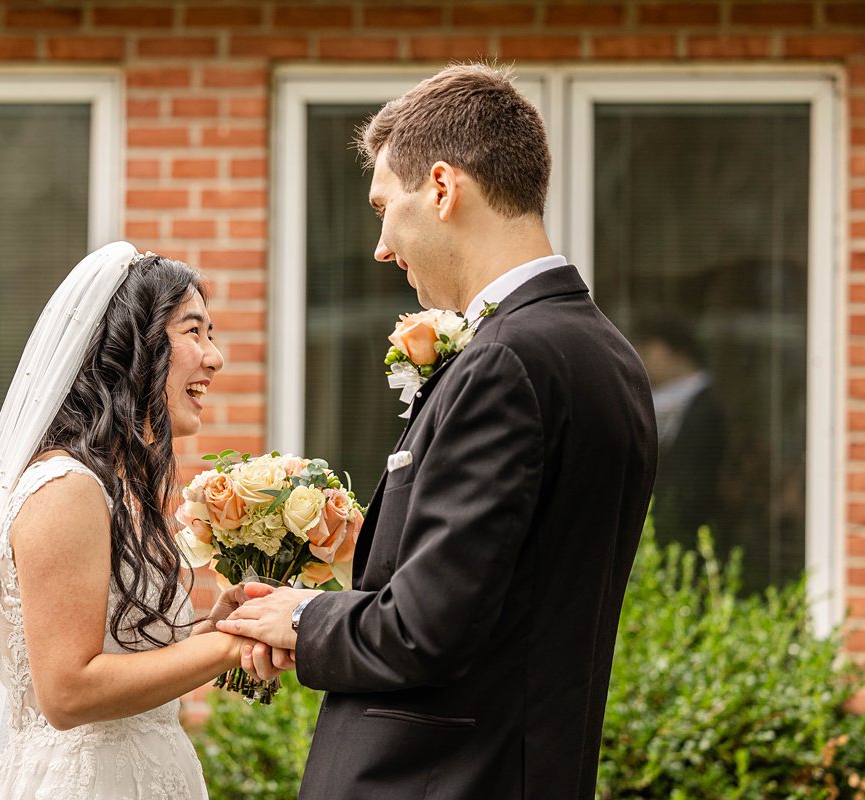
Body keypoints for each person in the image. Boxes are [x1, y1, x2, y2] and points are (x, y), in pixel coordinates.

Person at [218, 63, 658, 799]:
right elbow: (497, 601)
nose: (382, 248)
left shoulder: (508, 362)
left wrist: (303, 616)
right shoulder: (606, 353)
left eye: (385, 207)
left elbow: (426, 628)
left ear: (444, 189)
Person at [0, 242, 251, 799]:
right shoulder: (66, 489)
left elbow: (123, 664)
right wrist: (225, 651)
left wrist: (221, 632)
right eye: (193, 332)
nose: (215, 357)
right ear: (129, 350)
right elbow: (68, 692)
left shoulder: (113, 488)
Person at [634, 317, 724, 548]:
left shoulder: (704, 408)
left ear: (672, 351)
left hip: (686, 530)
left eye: (648, 350)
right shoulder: (662, 399)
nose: (642, 359)